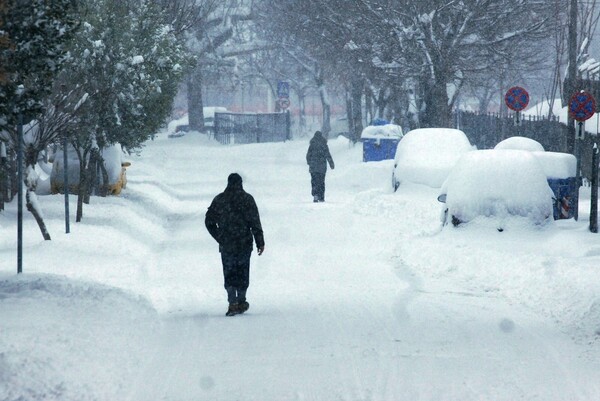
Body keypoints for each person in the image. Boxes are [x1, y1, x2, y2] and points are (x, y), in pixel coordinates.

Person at [205, 173, 265, 316]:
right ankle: (242, 300)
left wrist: (219, 236)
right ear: (241, 183)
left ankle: (232, 302)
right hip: (244, 243)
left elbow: (209, 221)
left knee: (229, 271)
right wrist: (260, 242)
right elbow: (255, 222)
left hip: (227, 244)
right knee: (243, 271)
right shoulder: (248, 199)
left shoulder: (220, 200)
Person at [306, 130, 335, 202]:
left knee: (314, 181)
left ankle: (315, 195)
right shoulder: (324, 145)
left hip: (313, 167)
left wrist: (309, 162)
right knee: (321, 182)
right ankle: (321, 196)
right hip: (322, 167)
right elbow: (328, 155)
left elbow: (308, 155)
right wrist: (331, 164)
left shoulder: (312, 145)